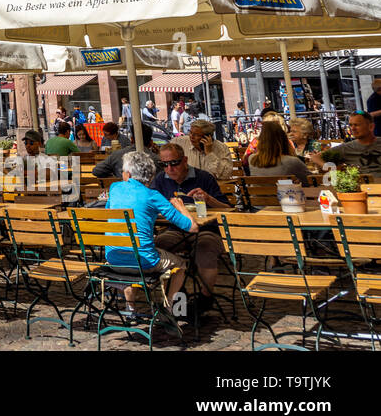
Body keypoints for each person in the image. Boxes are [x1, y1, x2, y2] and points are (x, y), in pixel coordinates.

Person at [107, 150, 198, 311]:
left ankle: (131, 309)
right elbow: (192, 227)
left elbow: (109, 213)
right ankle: (169, 307)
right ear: (151, 176)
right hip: (144, 262)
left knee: (134, 249)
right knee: (181, 264)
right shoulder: (152, 195)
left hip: (113, 258)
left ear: (127, 174)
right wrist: (181, 207)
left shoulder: (115, 188)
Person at [150, 142, 231, 315]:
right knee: (160, 244)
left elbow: (228, 209)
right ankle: (177, 297)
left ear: (185, 160)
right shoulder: (159, 180)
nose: (170, 168)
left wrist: (209, 199)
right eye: (164, 164)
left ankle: (205, 298)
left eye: (174, 163)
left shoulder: (204, 178)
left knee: (205, 248)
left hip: (206, 229)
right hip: (174, 230)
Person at [247, 117, 311, 182]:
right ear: (282, 140)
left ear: (260, 141)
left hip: (258, 192)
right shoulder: (291, 161)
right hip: (283, 191)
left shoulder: (251, 159)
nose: (290, 134)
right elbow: (312, 180)